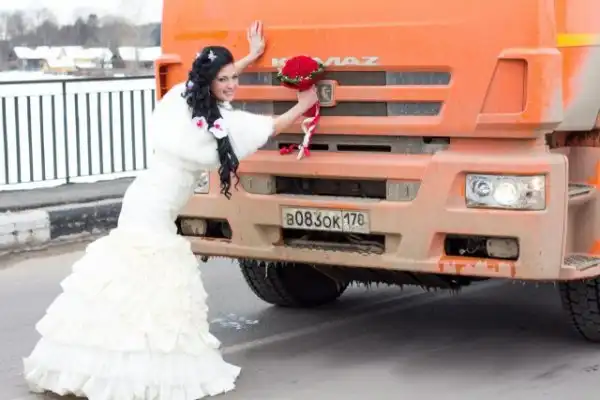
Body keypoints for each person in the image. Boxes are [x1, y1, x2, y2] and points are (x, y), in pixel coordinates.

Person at [22, 20, 318, 400]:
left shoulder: (182, 99)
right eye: (224, 79)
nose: (231, 84)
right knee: (151, 284)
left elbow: (213, 80)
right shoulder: (218, 123)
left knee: (122, 281)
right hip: (155, 207)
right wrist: (304, 104)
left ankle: (99, 360)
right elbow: (270, 127)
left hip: (143, 196)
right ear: (210, 82)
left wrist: (250, 56)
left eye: (234, 77)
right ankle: (131, 368)